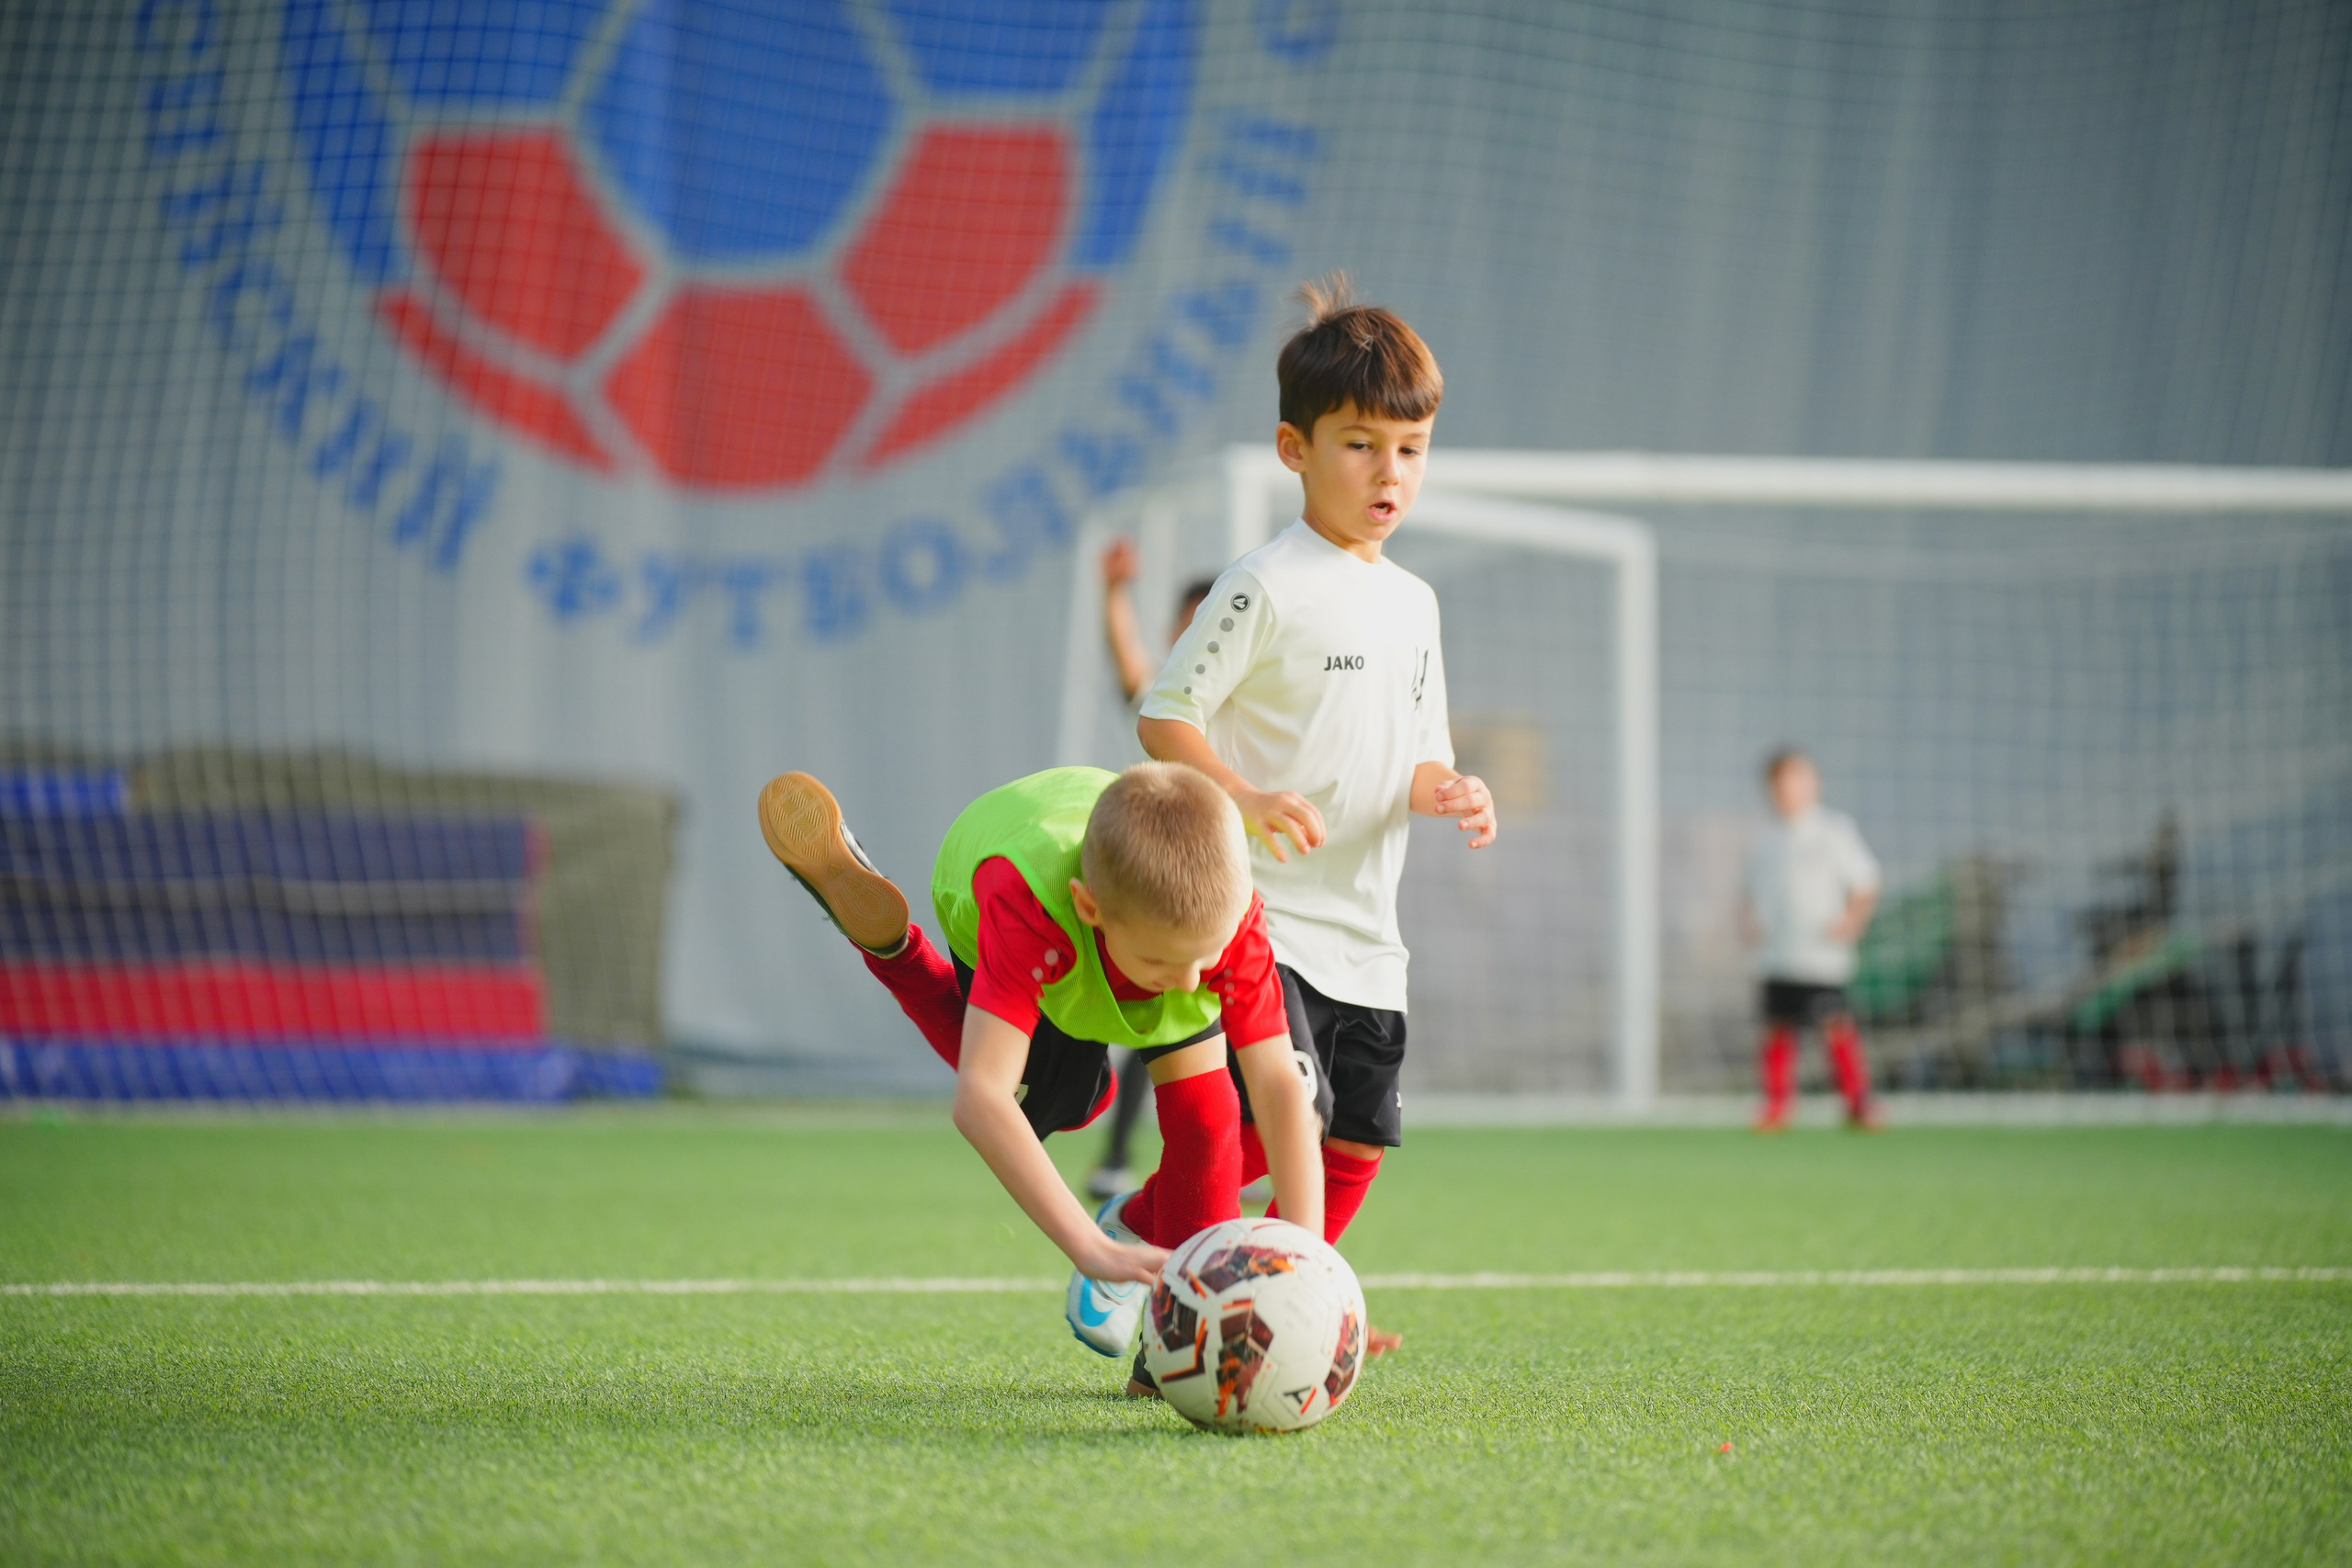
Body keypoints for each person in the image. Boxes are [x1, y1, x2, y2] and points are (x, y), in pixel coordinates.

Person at [1136, 276, 1497, 1357]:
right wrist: (1240, 800)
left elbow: (1420, 756)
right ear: (1294, 449)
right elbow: (1164, 715)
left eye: (1412, 449)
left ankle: (1266, 1275)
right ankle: (1218, 1306)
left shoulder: (1415, 602)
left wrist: (1453, 790)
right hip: (1264, 918)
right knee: (1271, 1111)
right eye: (1360, 445)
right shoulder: (1261, 584)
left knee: (1357, 1141)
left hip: (1365, 936)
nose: (1390, 474)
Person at [758, 762, 1323, 1396]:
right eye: (1169, 960)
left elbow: (1278, 1087)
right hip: (995, 873)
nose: (1194, 981)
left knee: (1207, 1112)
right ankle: (897, 950)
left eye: (1207, 957)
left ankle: (1164, 1364)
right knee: (1054, 1098)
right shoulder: (1029, 901)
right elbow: (981, 1097)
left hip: (1125, 894)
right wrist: (1090, 1246)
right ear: (1091, 907)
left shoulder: (1223, 920)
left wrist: (1306, 1255)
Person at [1086, 546, 1218, 1201]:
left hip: (1231, 886)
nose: (1196, 636)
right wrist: (1114, 593)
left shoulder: (1248, 700)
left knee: (1251, 1024)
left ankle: (1241, 1156)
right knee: (1155, 1013)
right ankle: (1115, 1155)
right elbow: (1128, 661)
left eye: (1209, 624)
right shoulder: (1168, 698)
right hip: (1163, 879)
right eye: (1187, 623)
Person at [1740, 748, 1883, 1132]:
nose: (1790, 790)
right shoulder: (1766, 841)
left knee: (1834, 1025)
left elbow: (1866, 881)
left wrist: (1852, 919)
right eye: (1782, 783)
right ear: (1771, 789)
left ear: (1813, 783)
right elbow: (1749, 893)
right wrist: (1750, 920)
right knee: (1777, 1029)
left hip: (1821, 955)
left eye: (1798, 780)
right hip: (1777, 954)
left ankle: (1859, 1102)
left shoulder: (1833, 831)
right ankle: (1776, 1105)